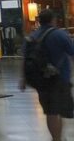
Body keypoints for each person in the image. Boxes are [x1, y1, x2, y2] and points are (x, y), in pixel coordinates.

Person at [20, 10, 74, 141]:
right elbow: (72, 53)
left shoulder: (31, 37)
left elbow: (24, 58)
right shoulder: (59, 34)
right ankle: (58, 138)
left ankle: (56, 138)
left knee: (50, 112)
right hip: (60, 79)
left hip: (40, 81)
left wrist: (22, 79)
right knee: (60, 111)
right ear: (53, 20)